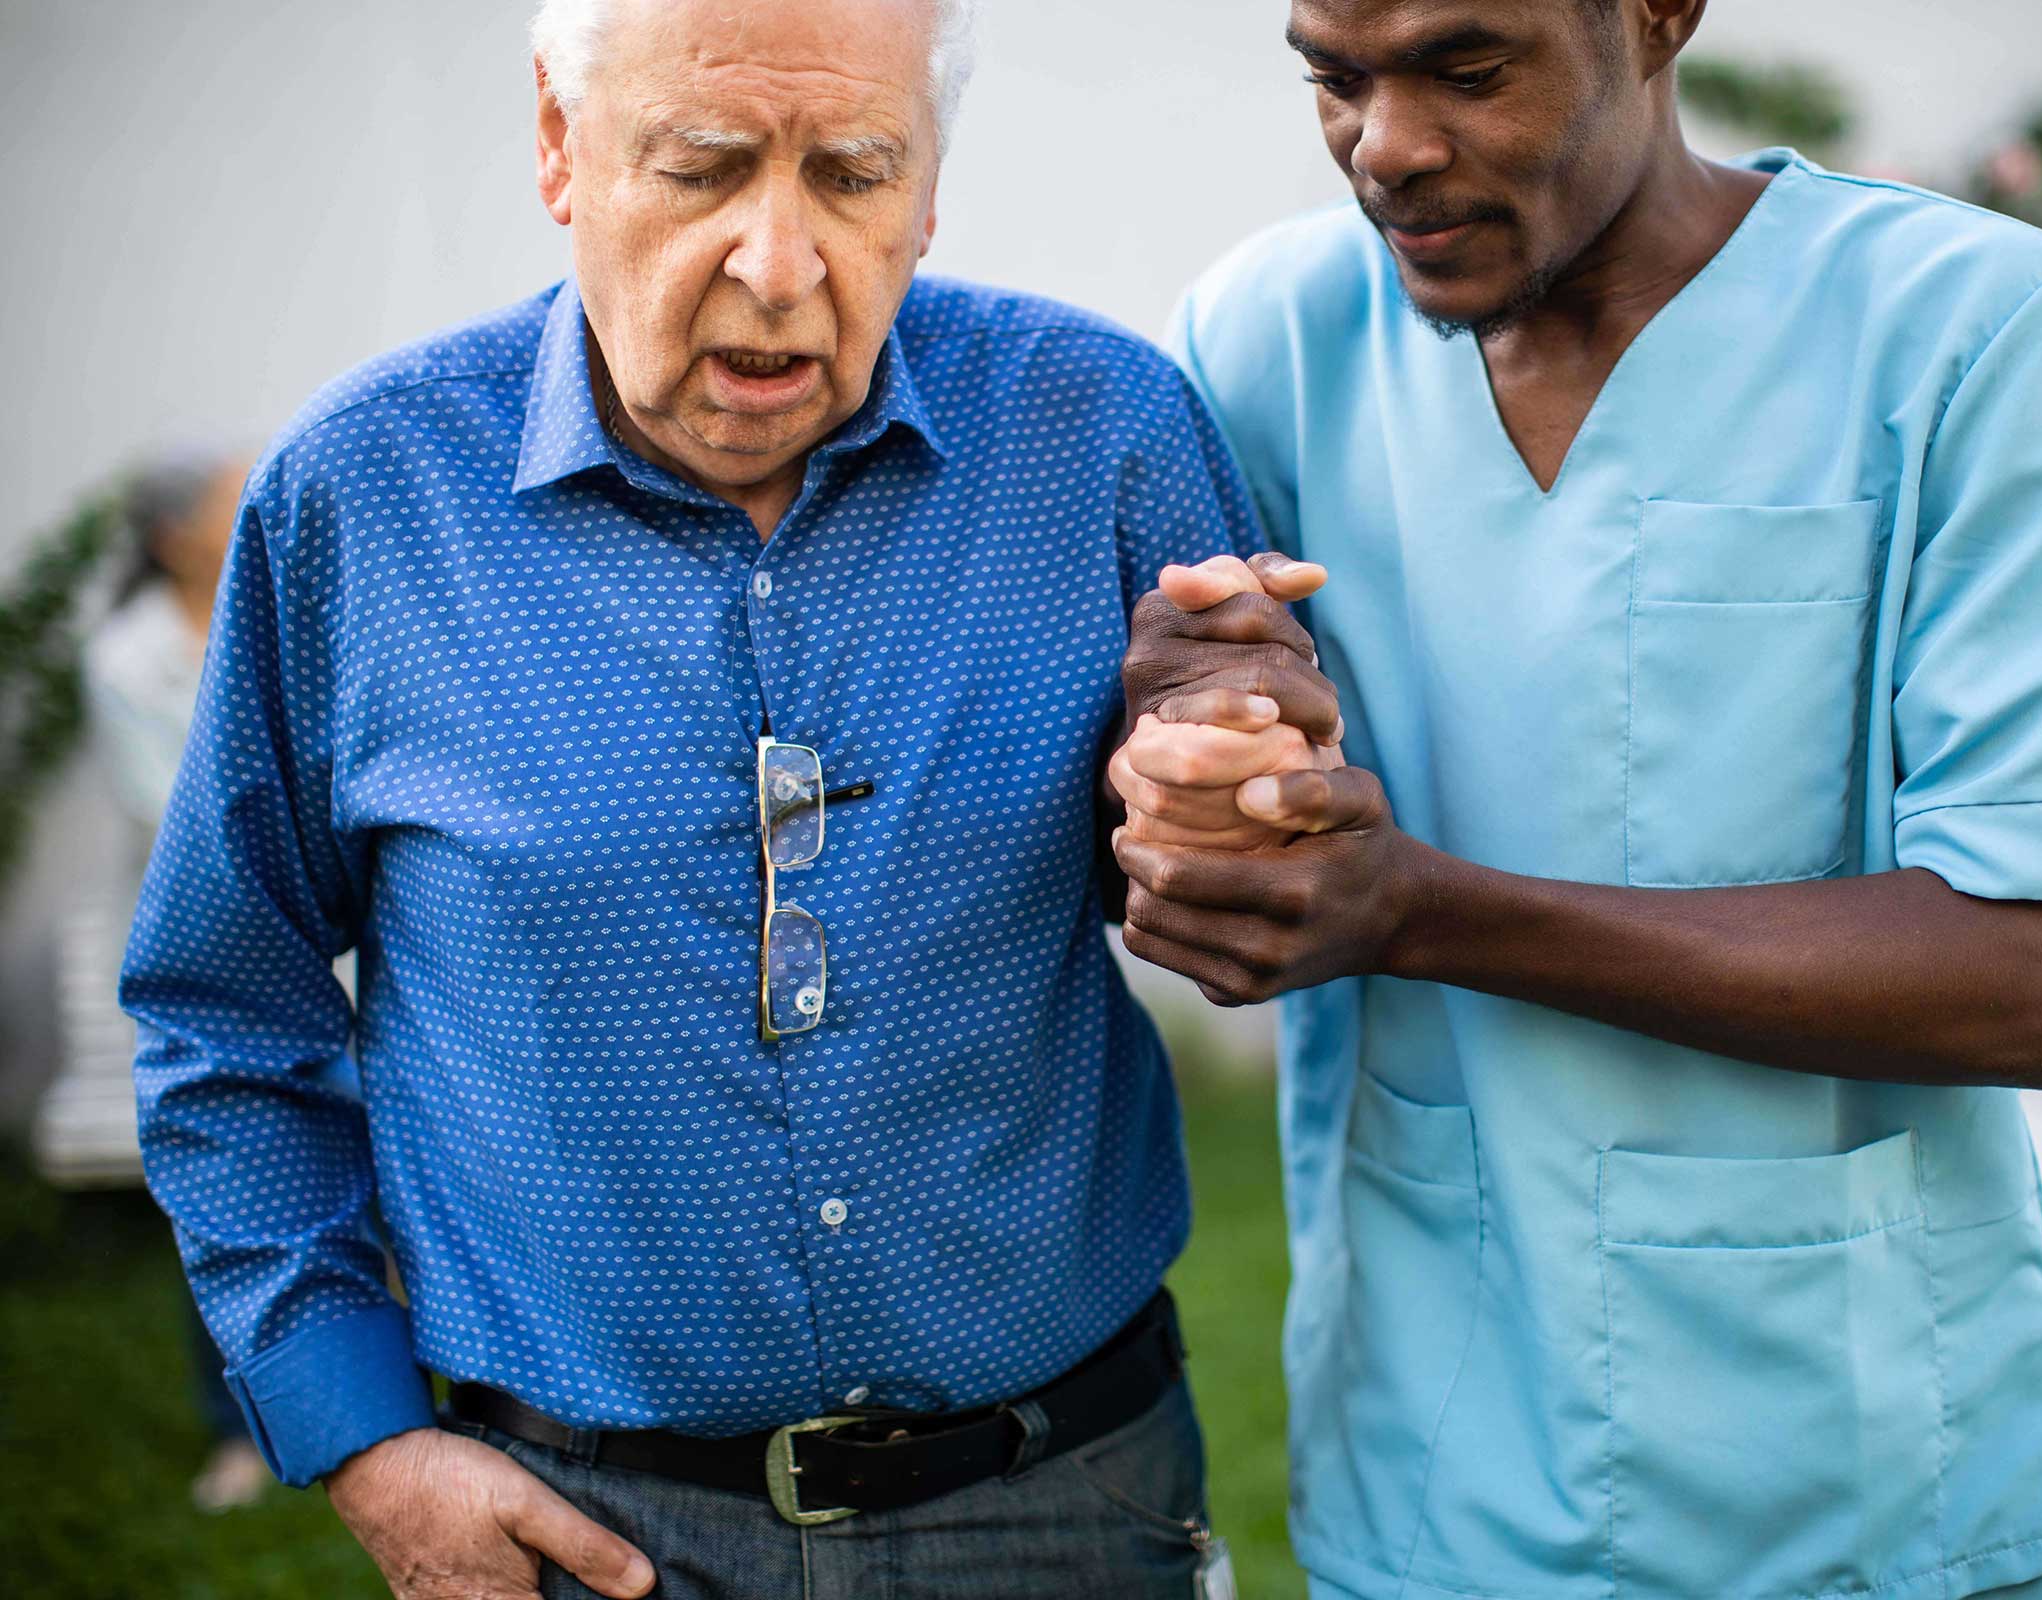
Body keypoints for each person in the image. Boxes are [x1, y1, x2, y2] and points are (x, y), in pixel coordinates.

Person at [123, 1, 1270, 1594]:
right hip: (586, 1535)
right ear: (559, 146)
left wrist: (1242, 828)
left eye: (856, 175)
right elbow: (223, 1012)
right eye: (705, 168)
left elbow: (1250, 865)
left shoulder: (1107, 433)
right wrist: (368, 1442)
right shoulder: (357, 504)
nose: (781, 262)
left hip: (1068, 1502)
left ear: (931, 184)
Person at [1110, 2, 2042, 1598]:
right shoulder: (1268, 341)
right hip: (1433, 1466)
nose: (1387, 146)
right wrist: (1195, 740)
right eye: (1335, 79)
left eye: (1468, 70)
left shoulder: (1963, 323)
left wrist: (1419, 909)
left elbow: (2033, 983)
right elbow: (1185, 794)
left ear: (1657, 15)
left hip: (1861, 1474)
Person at [43, 449, 286, 1512]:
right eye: (234, 497)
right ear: (175, 533)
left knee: (365, 1180)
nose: (259, 504)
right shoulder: (129, 655)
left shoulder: (279, 603)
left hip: (329, 943)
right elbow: (175, 807)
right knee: (232, 1187)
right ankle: (240, 1432)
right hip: (216, 961)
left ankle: (374, 1413)